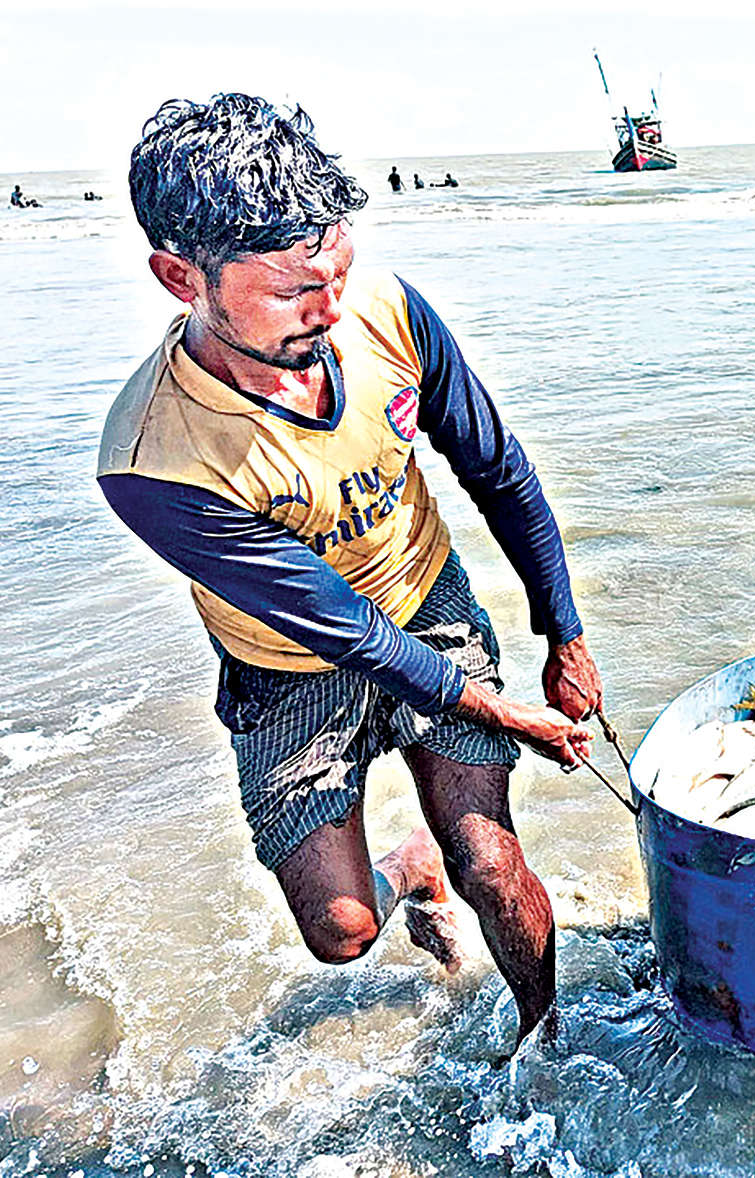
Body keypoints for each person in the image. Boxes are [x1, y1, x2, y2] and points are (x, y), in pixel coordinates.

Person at [97, 94, 605, 1054]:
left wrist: (563, 633)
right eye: (294, 292)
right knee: (341, 935)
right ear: (181, 278)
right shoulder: (153, 460)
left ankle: (545, 1046)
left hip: (424, 600)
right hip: (289, 662)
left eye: (336, 271)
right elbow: (343, 629)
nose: (330, 310)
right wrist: (510, 716)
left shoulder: (386, 314)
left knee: (491, 864)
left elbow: (499, 470)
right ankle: (409, 869)